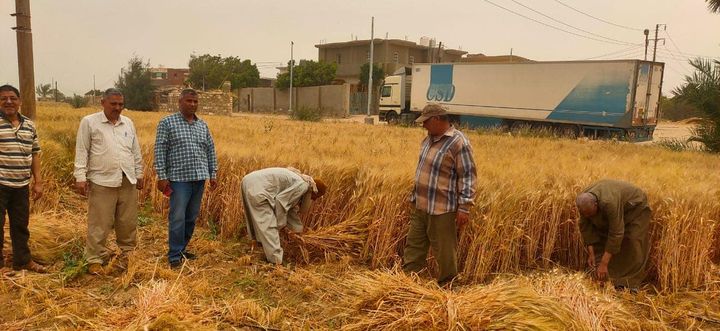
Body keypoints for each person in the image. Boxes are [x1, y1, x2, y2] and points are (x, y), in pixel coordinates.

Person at [402, 104, 477, 284]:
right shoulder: (428, 139)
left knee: (444, 251)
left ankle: (448, 286)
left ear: (436, 119)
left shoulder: (459, 143)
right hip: (421, 205)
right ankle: (408, 284)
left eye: (425, 121)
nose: (423, 125)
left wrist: (464, 207)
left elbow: (467, 176)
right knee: (413, 246)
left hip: (442, 209)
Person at [74, 88, 143, 275]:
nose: (118, 108)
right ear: (102, 102)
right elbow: (82, 151)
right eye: (113, 104)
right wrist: (80, 177)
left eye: (121, 104)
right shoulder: (89, 122)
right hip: (102, 180)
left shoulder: (128, 123)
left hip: (126, 179)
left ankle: (127, 252)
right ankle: (94, 258)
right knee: (100, 222)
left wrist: (139, 173)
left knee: (127, 220)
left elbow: (134, 151)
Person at [154, 88, 218, 269]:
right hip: (178, 179)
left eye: (195, 102)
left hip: (199, 178)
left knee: (191, 217)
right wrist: (162, 176)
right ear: (180, 102)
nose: (192, 104)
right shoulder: (167, 122)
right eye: (189, 101)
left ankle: (182, 249)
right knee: (178, 217)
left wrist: (212, 174)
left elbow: (210, 150)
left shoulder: (202, 125)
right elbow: (160, 150)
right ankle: (174, 255)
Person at [0, 84, 46, 273]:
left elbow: (34, 154)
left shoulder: (29, 125)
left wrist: (38, 182)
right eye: (4, 99)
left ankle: (22, 261)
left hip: (21, 185)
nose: (9, 102)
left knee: (21, 225)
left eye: (13, 98)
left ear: (19, 101)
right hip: (0, 184)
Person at [576, 179, 651, 290]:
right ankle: (608, 279)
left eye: (591, 214)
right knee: (601, 236)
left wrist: (604, 264)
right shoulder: (584, 202)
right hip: (618, 204)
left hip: (635, 207)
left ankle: (630, 283)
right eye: (586, 215)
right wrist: (591, 254)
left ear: (596, 205)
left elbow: (616, 233)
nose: (589, 217)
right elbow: (586, 228)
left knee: (633, 240)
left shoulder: (609, 203)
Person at [241, 167, 326, 265]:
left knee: (259, 220)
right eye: (313, 198)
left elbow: (290, 209)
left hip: (248, 180)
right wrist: (280, 224)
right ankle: (276, 262)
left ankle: (261, 248)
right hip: (258, 188)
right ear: (313, 192)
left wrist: (298, 231)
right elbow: (281, 202)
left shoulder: (298, 179)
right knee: (269, 226)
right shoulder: (303, 186)